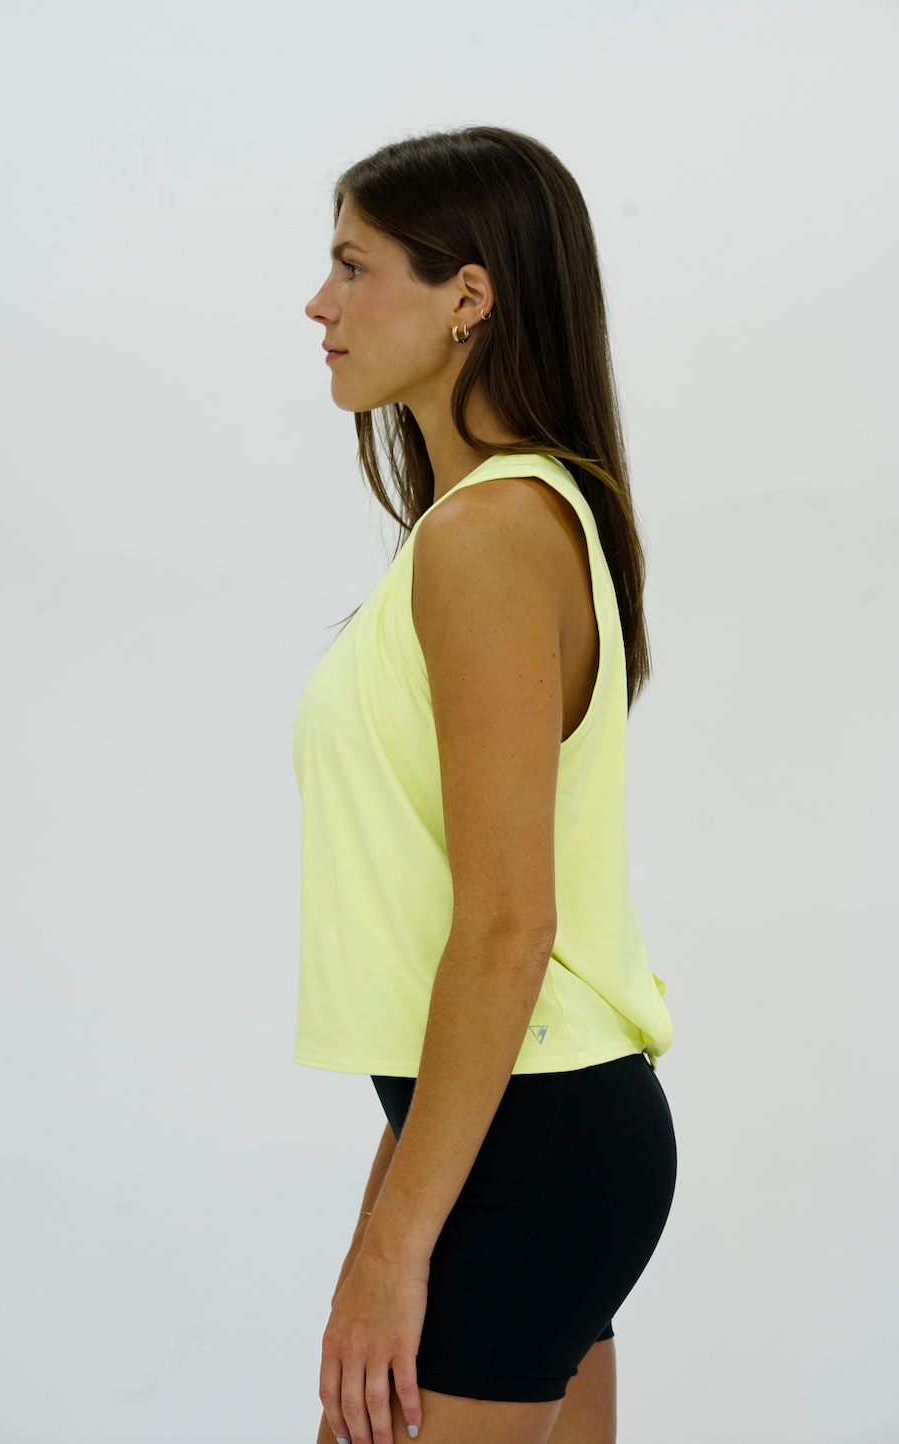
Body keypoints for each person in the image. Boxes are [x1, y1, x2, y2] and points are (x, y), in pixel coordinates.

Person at [294, 126, 677, 1444]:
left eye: (355, 267)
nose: (319, 305)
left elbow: (510, 924)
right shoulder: (499, 523)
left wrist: (391, 1252)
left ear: (469, 297)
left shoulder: (493, 535)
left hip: (533, 1137)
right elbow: (452, 948)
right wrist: (388, 1215)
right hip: (523, 1134)